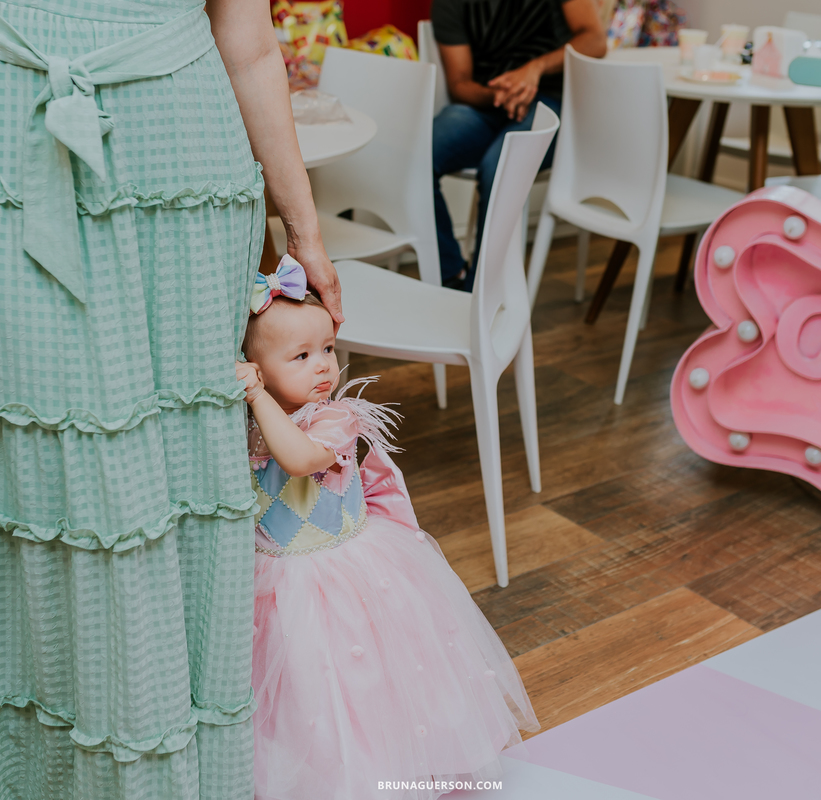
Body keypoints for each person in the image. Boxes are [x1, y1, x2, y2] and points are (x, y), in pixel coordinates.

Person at [0, 0, 339, 796]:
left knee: (172, 479)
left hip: (184, 169)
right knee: (8, 469)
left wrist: (303, 224)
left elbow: (251, 41)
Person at [235, 257, 539, 800]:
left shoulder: (334, 418)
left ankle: (381, 774)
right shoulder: (248, 428)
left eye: (327, 348)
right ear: (254, 365)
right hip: (277, 580)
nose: (324, 366)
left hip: (344, 571)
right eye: (301, 356)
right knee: (303, 691)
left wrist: (258, 397)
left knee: (365, 680)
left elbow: (301, 459)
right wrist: (252, 405)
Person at [431, 0, 607, 289]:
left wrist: (534, 68)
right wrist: (504, 94)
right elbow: (460, 83)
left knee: (500, 164)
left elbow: (595, 40)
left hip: (550, 102)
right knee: (418, 155)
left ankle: (480, 294)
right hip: (488, 102)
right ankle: (452, 276)